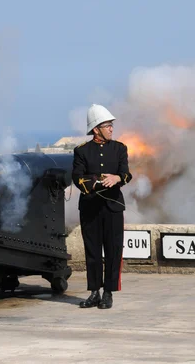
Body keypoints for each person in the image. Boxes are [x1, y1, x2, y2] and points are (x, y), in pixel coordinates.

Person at [72, 104, 132, 309]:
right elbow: (77, 178)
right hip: (90, 208)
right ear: (96, 128)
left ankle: (108, 292)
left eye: (111, 125)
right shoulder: (81, 151)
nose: (111, 129)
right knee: (93, 251)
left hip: (113, 208)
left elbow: (126, 174)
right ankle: (94, 292)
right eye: (107, 125)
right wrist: (98, 180)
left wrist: (116, 178)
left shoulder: (120, 148)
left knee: (113, 251)